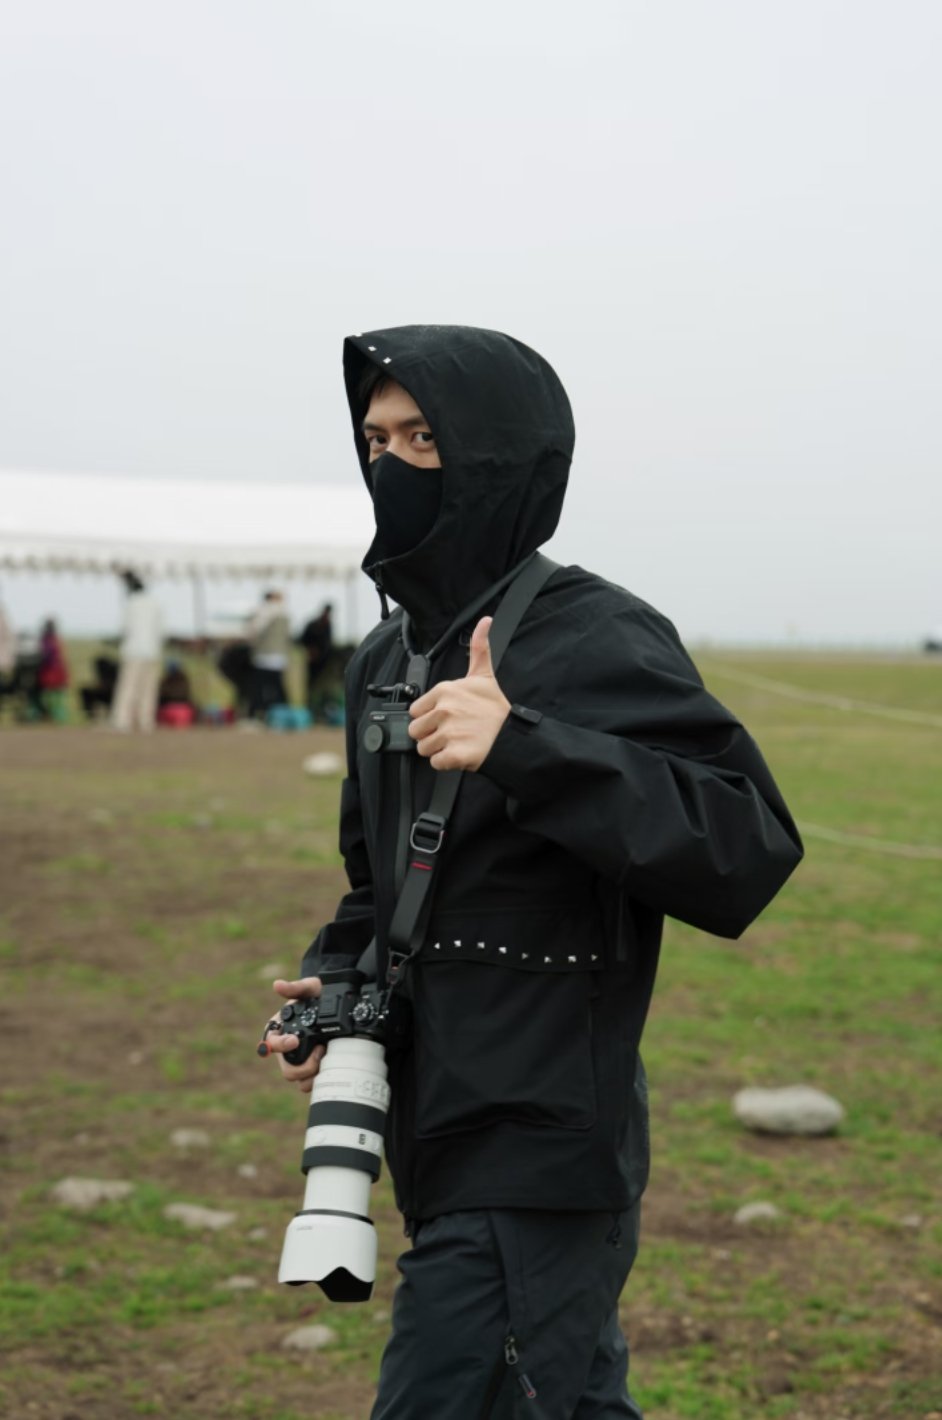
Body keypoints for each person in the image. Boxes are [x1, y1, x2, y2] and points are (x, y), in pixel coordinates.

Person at [261, 326, 803, 1419]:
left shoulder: (594, 634)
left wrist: (524, 745)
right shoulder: (387, 656)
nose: (391, 464)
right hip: (431, 1123)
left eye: (423, 438)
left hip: (542, 1136)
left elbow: (745, 845)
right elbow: (378, 883)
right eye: (375, 440)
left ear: (499, 453)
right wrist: (337, 982)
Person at [111, 571, 163, 733]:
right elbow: (161, 630)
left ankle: (123, 720)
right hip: (152, 651)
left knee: (129, 686)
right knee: (148, 688)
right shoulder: (155, 604)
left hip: (133, 651)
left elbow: (124, 628)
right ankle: (146, 721)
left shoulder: (131, 604)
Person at [246, 589, 290, 719]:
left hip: (264, 657)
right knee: (278, 687)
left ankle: (255, 713)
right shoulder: (284, 614)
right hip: (279, 658)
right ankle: (282, 714)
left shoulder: (264, 611)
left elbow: (253, 631)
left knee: (259, 687)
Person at [297, 601, 333, 717]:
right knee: (310, 687)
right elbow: (303, 640)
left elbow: (327, 645)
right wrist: (310, 651)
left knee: (321, 688)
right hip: (311, 662)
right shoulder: (313, 625)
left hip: (323, 664)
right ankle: (310, 709)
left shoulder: (327, 625)